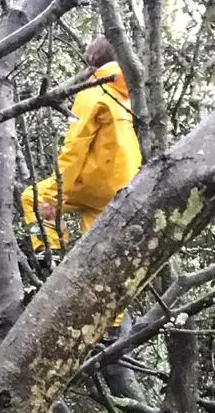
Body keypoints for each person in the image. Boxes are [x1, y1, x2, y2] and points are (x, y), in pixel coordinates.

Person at [20, 37, 143, 252]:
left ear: (92, 60)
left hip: (97, 183)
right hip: (127, 181)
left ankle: (51, 252)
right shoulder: (129, 95)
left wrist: (57, 189)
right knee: (98, 241)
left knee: (33, 197)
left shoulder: (93, 91)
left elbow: (76, 146)